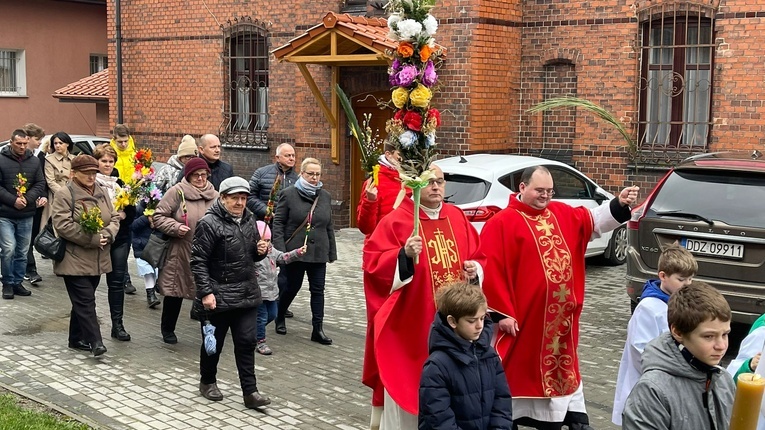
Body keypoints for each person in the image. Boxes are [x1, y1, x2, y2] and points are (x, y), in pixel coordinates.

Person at [479, 165, 637, 430]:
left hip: (562, 324)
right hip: (526, 321)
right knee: (521, 374)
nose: (546, 196)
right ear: (522, 188)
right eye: (540, 190)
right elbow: (491, 268)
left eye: (550, 191)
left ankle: (570, 417)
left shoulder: (560, 213)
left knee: (564, 371)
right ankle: (512, 418)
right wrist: (501, 313)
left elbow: (594, 221)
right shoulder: (502, 223)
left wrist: (618, 204)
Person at [362, 164, 483, 429]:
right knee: (414, 393)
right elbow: (373, 267)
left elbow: (479, 255)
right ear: (414, 186)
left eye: (440, 181)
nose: (437, 187)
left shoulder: (456, 217)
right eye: (429, 182)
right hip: (413, 329)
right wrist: (403, 256)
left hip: (456, 330)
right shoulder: (396, 221)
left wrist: (475, 271)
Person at [190, 176, 271, 409]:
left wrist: (261, 251)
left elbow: (252, 255)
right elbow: (198, 260)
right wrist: (206, 292)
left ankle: (250, 392)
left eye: (243, 198)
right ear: (223, 198)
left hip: (246, 292)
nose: (240, 203)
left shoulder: (249, 220)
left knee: (246, 342)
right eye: (234, 198)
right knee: (213, 343)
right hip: (217, 293)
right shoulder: (209, 223)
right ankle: (207, 381)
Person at [622, 281, 735, 429]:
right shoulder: (652, 392)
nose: (721, 346)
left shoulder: (723, 379)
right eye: (709, 336)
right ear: (678, 332)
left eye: (725, 334)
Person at [612, 243, 697, 425]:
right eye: (681, 279)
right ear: (663, 276)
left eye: (690, 279)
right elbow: (640, 351)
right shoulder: (649, 308)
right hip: (649, 387)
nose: (687, 284)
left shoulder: (680, 303)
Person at [418, 281, 513, 430]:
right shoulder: (437, 366)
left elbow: (502, 403)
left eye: (482, 318)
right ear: (452, 321)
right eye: (471, 321)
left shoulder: (490, 356)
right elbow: (439, 420)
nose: (479, 326)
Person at [51, 154, 121, 356]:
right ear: (74, 173)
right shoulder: (65, 194)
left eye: (94, 173)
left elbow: (114, 217)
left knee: (82, 300)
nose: (92, 177)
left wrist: (107, 234)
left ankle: (75, 339)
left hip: (98, 258)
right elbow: (63, 225)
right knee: (86, 300)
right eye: (87, 173)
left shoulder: (100, 191)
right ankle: (95, 341)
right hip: (74, 258)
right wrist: (91, 239)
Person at [272, 157, 337, 345]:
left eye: (317, 174)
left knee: (318, 290)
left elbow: (329, 226)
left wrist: (331, 252)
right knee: (291, 286)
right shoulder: (288, 194)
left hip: (318, 252)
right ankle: (280, 314)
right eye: (310, 174)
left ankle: (318, 329)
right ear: (302, 173)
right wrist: (280, 251)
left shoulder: (324, 196)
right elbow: (278, 224)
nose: (314, 178)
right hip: (295, 252)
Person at [153, 157, 218, 344]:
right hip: (180, 250)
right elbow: (159, 216)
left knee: (206, 291)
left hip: (207, 253)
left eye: (203, 175)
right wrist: (175, 227)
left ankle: (208, 331)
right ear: (188, 176)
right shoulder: (176, 192)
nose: (200, 178)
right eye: (196, 175)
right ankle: (168, 329)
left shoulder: (215, 195)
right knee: (176, 291)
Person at [94, 144, 134, 342]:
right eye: (103, 161)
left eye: (110, 161)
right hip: (96, 240)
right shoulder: (91, 183)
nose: (107, 165)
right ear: (97, 162)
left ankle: (117, 325)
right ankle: (86, 327)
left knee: (116, 283)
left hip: (119, 239)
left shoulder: (120, 183)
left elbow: (132, 209)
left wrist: (125, 213)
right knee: (90, 284)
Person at [0, 129, 46, 299]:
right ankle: (7, 283)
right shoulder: (1, 159)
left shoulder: (33, 161)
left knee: (22, 250)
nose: (22, 147)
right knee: (8, 248)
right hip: (5, 213)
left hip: (26, 213)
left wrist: (27, 198)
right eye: (18, 143)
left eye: (25, 144)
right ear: (11, 142)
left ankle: (18, 282)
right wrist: (13, 200)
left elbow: (40, 182)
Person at [253, 220, 305, 355]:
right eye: (262, 240)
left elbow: (283, 257)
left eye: (268, 240)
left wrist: (297, 253)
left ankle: (251, 330)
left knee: (273, 314)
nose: (266, 243)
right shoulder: (253, 253)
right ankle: (260, 341)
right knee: (262, 317)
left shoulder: (272, 251)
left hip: (272, 292)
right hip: (259, 292)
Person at [356, 141, 407, 237]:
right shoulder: (375, 180)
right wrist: (370, 201)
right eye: (401, 154)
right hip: (382, 244)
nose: (405, 158)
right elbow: (365, 228)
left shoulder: (414, 179)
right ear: (388, 154)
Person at [247, 142, 299, 221]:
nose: (291, 158)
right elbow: (249, 196)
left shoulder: (297, 179)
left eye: (293, 155)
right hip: (263, 222)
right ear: (277, 158)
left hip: (285, 225)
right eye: (287, 155)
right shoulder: (262, 173)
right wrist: (266, 211)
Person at [22, 123, 47, 285]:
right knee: (23, 239)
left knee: (31, 238)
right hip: (20, 202)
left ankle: (26, 267)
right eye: (37, 139)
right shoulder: (21, 156)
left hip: (37, 203)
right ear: (28, 138)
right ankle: (30, 269)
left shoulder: (40, 156)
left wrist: (43, 195)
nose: (39, 142)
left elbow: (42, 179)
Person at [131, 201, 162, 308]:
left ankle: (156, 286)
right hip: (141, 247)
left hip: (156, 246)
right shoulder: (139, 209)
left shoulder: (161, 209)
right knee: (147, 271)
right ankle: (151, 295)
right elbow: (133, 226)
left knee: (156, 270)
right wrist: (146, 218)